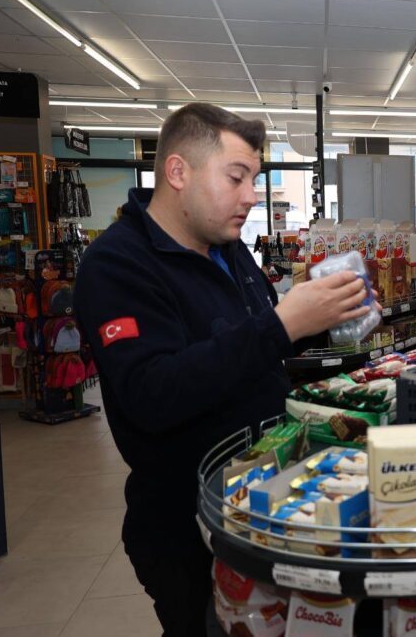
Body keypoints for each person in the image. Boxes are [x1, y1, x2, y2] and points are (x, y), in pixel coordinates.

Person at [74, 103, 374, 636]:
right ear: (178, 172)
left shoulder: (229, 249)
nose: (251, 194)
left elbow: (256, 357)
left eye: (254, 178)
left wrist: (327, 325)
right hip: (188, 525)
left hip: (266, 495)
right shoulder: (115, 266)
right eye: (237, 177)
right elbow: (151, 393)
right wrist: (283, 324)